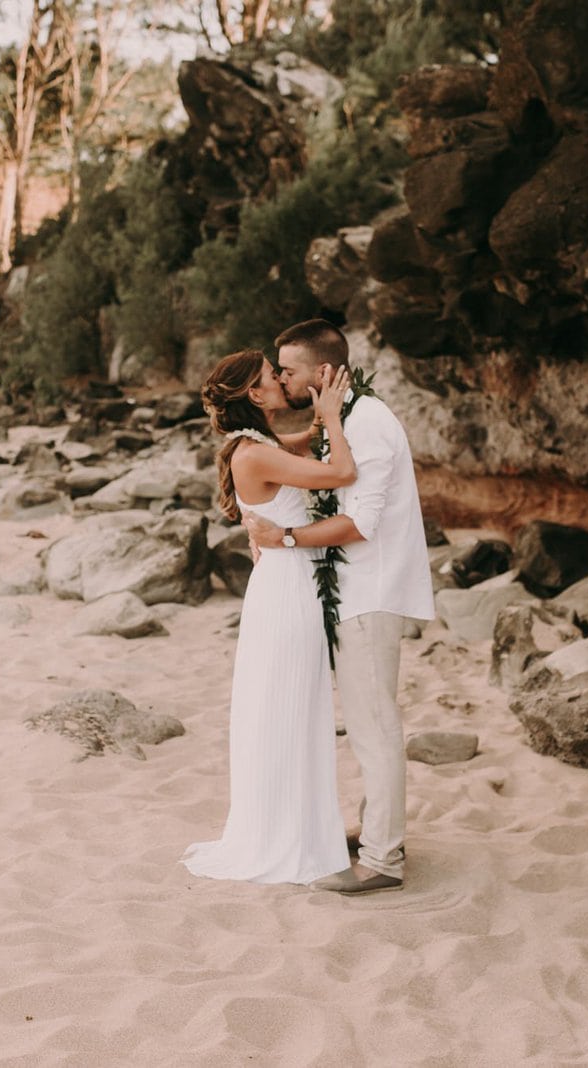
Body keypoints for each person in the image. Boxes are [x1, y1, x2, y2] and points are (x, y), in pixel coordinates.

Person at [244, 319, 435, 896]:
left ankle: (383, 860)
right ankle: (376, 827)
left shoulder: (369, 423)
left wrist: (285, 540)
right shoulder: (341, 419)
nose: (281, 378)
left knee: (376, 727)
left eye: (289, 370)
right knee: (365, 725)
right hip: (349, 593)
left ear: (323, 372)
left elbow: (360, 522)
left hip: (370, 596)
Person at [182, 349, 358, 885]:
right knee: (290, 708)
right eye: (270, 377)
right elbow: (341, 471)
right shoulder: (255, 455)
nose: (281, 380)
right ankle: (290, 837)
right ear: (255, 396)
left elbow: (305, 447)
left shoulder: (259, 445)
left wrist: (333, 409)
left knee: (292, 708)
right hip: (288, 591)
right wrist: (327, 415)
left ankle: (304, 825)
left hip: (283, 585)